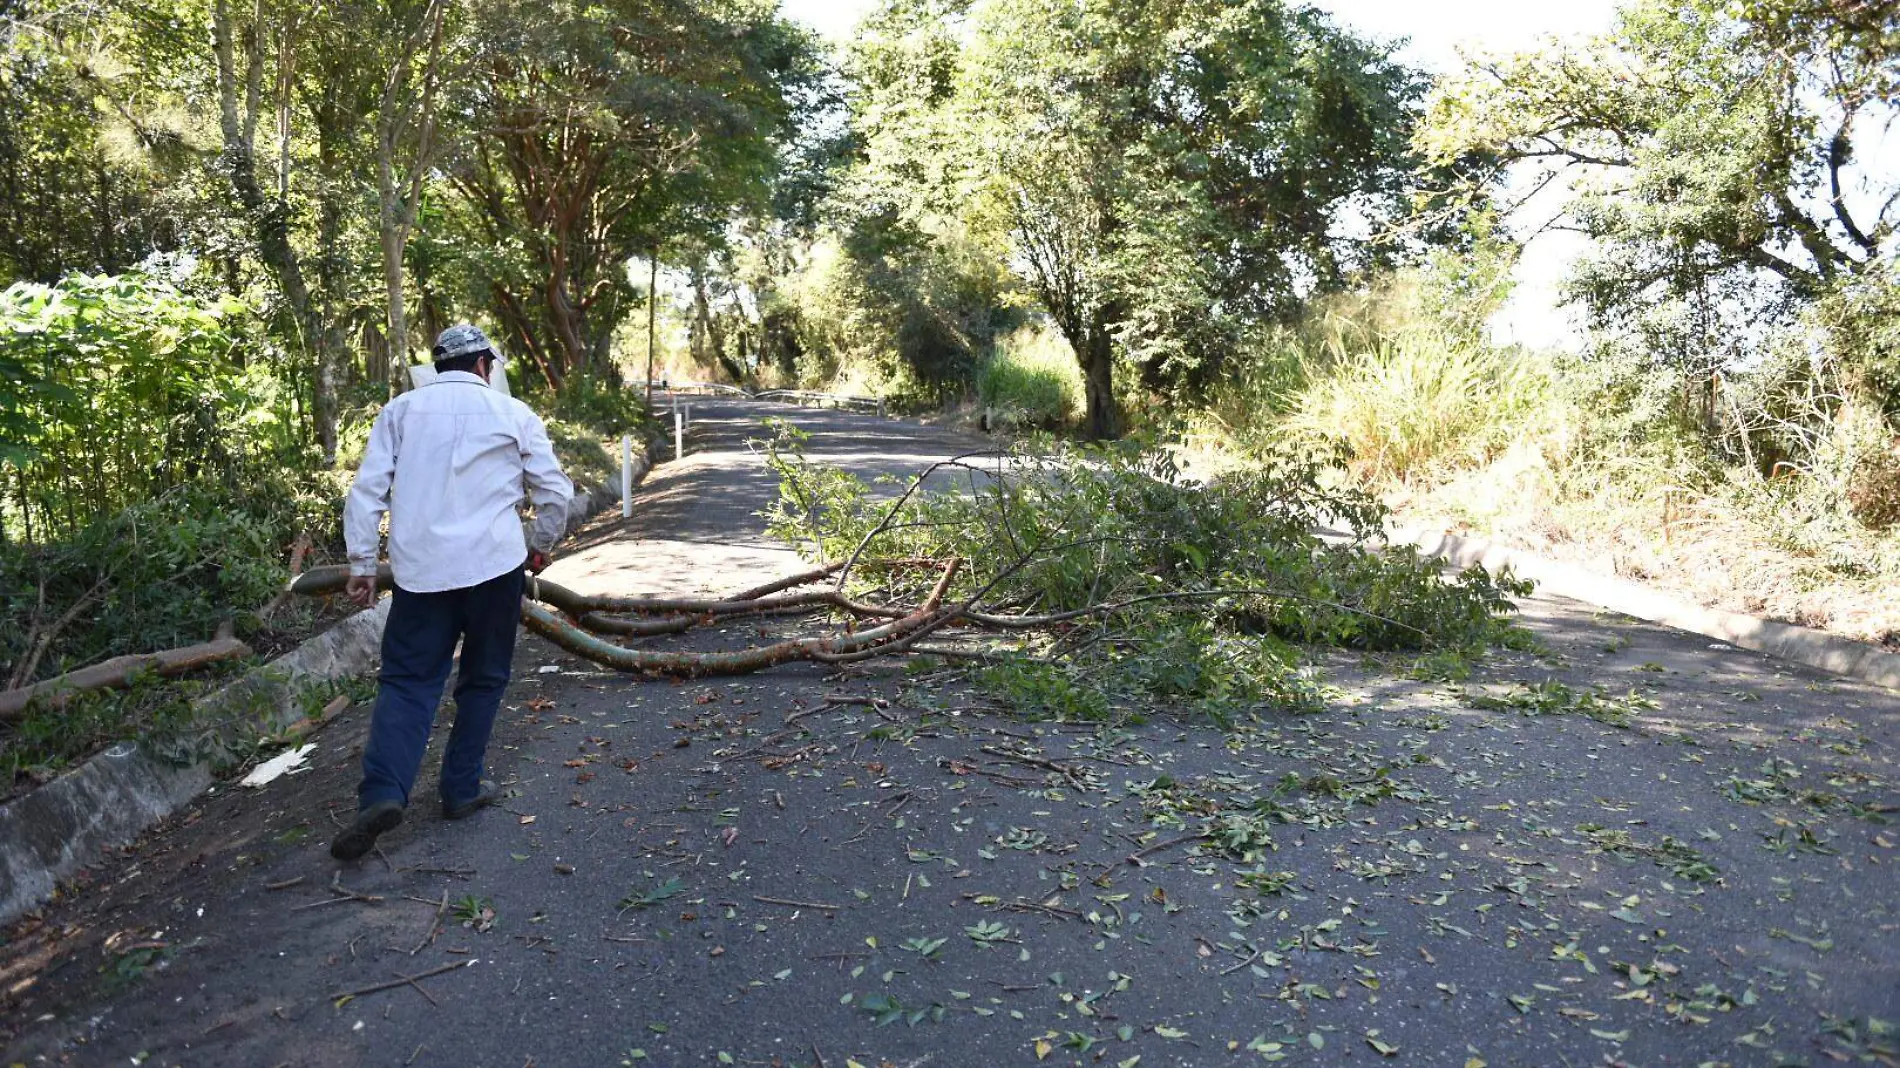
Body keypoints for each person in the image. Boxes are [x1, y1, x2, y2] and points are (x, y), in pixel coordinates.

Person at [330, 323, 573, 862]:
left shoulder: (400, 412)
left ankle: (383, 794)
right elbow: (555, 491)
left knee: (408, 681)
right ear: (487, 364)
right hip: (494, 568)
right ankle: (460, 789)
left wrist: (363, 564)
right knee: (483, 679)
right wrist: (539, 544)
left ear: (438, 367)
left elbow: (366, 494)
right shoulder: (514, 414)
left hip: (422, 574)